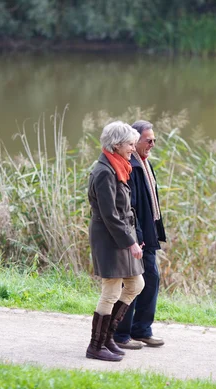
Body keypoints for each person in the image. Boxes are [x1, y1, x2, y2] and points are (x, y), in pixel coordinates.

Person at [86, 121, 145, 362]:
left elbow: (124, 210)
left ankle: (108, 337)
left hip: (121, 235)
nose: (133, 148)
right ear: (117, 145)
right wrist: (129, 241)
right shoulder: (103, 172)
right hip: (109, 239)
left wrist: (133, 237)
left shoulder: (118, 166)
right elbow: (109, 214)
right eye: (130, 144)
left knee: (136, 284)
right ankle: (95, 345)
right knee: (110, 291)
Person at [114, 120, 167, 350]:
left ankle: (140, 330)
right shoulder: (132, 168)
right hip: (139, 236)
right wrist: (137, 237)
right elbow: (131, 207)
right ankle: (122, 333)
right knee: (136, 282)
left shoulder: (145, 164)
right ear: (135, 142)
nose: (153, 144)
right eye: (149, 140)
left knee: (150, 279)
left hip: (149, 234)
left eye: (154, 140)